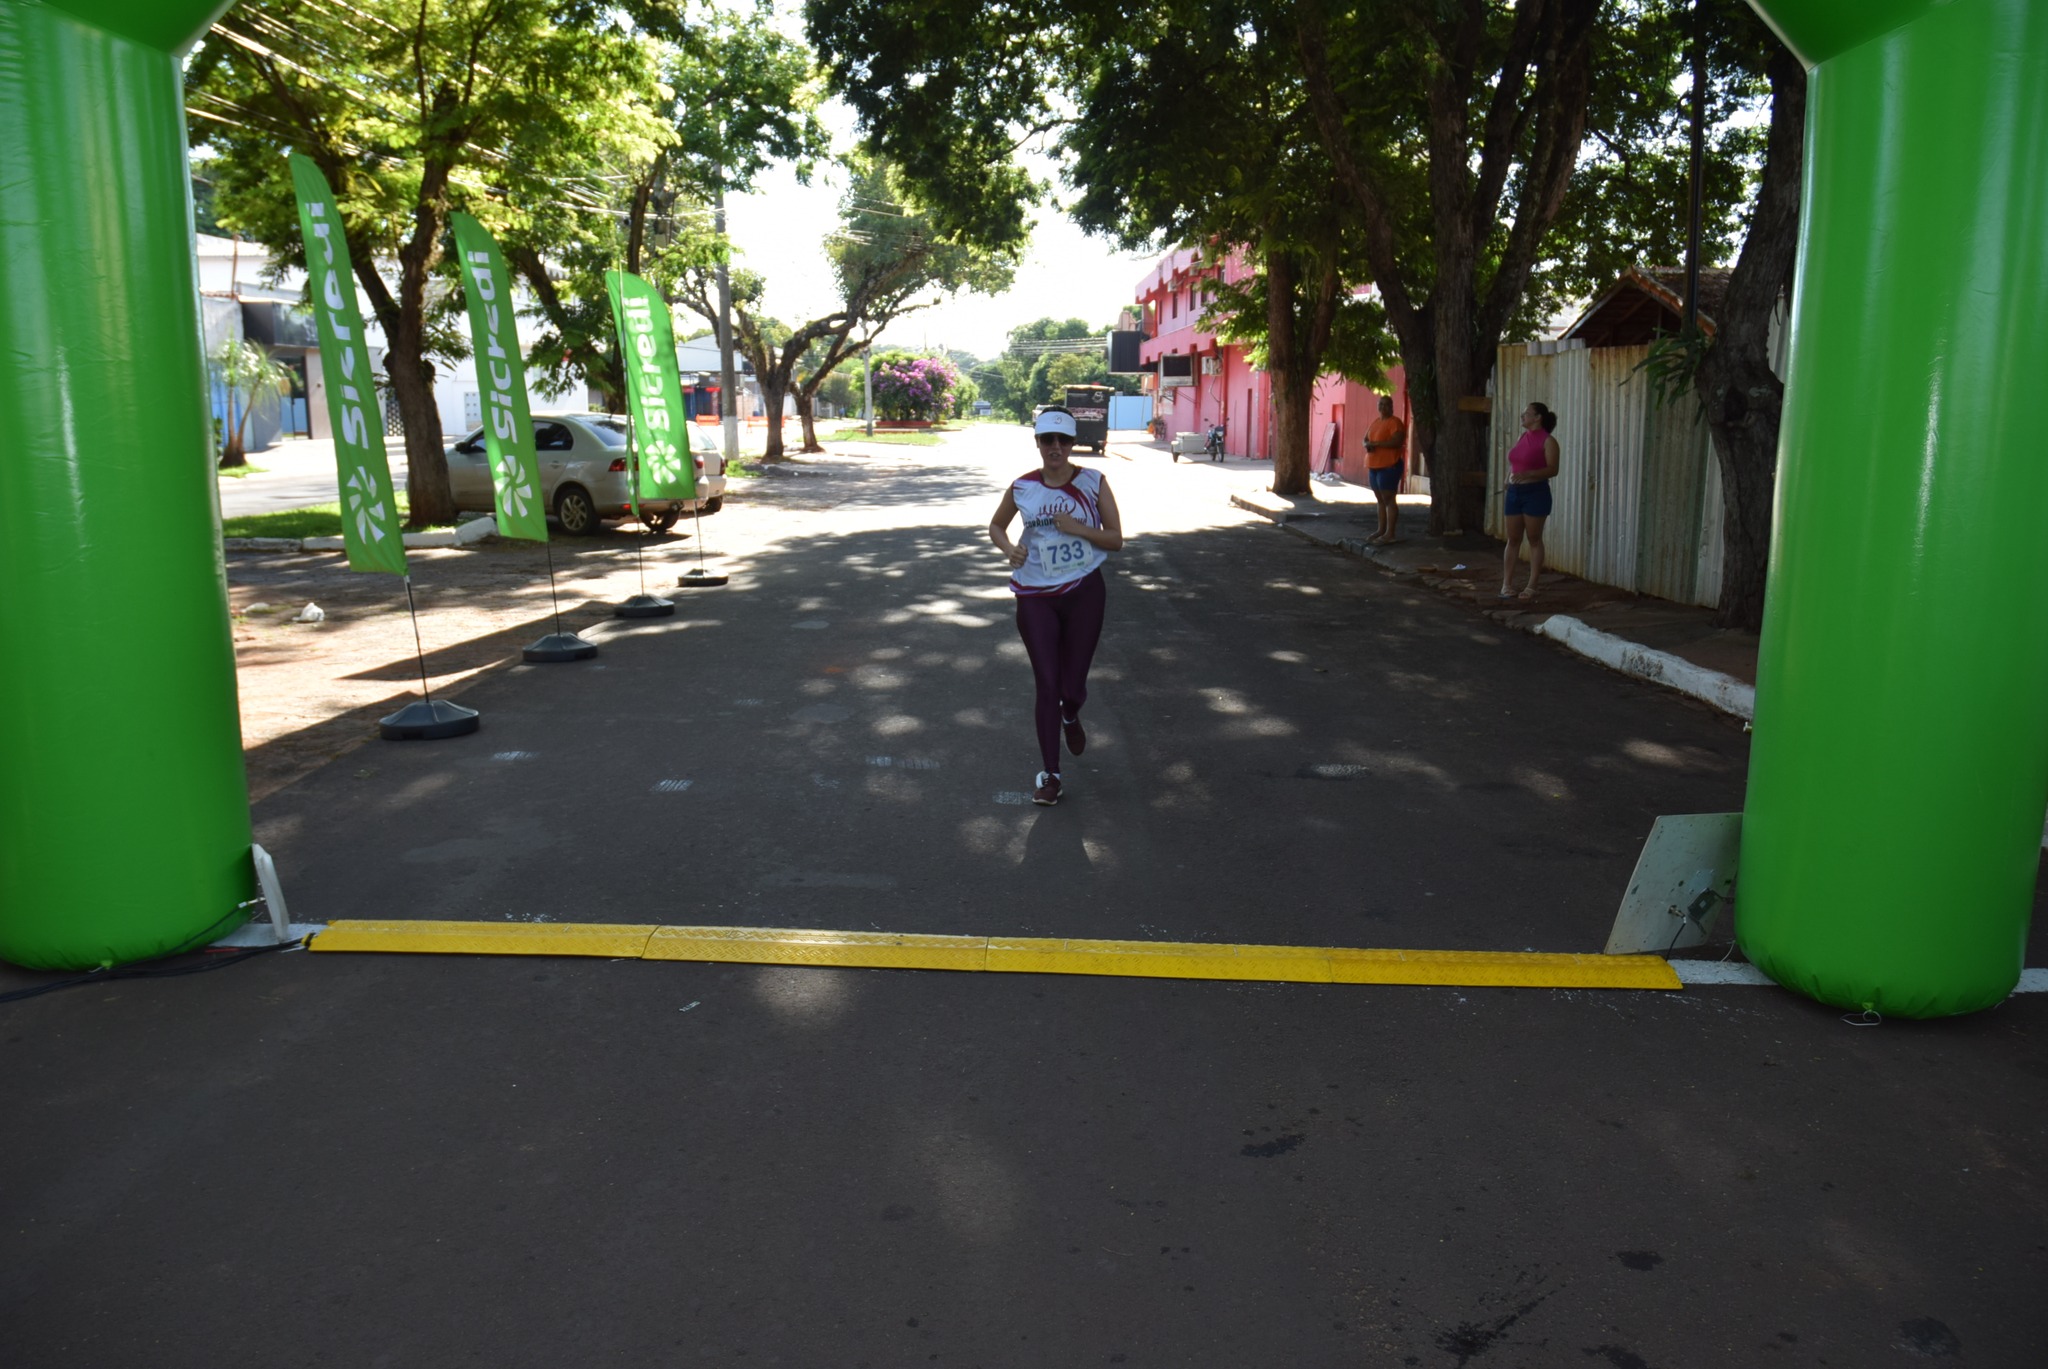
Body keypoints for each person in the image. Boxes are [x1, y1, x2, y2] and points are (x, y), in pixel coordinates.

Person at [989, 406, 1125, 806]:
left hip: (1084, 593)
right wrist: (1009, 549)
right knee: (1047, 684)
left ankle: (1072, 713)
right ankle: (1051, 775)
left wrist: (1079, 529)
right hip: (1035, 597)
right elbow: (997, 525)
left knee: (1071, 686)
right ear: (1037, 442)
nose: (1055, 447)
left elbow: (1116, 539)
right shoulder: (1022, 487)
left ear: (1072, 443)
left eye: (1063, 440)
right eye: (1047, 439)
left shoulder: (1093, 482)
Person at [1501, 401, 1560, 601]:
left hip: (1535, 491)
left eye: (1526, 413)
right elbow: (1515, 462)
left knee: (1534, 538)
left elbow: (1553, 469)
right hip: (1514, 491)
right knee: (1513, 538)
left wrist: (1530, 475)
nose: (1522, 416)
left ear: (1538, 418)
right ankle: (1506, 584)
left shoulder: (1548, 441)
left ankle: (1532, 585)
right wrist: (1507, 479)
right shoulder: (1522, 437)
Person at [1362, 396, 1408, 541]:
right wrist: (1367, 444)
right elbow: (1365, 438)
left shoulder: (1395, 423)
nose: (1383, 407)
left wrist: (1376, 444)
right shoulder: (1375, 422)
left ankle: (1390, 533)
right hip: (1373, 465)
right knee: (1380, 500)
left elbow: (1397, 441)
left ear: (1392, 406)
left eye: (1386, 404)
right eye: (1380, 404)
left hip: (1389, 466)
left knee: (1389, 499)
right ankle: (1381, 530)